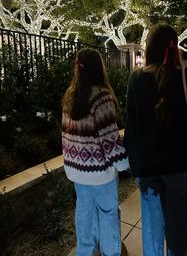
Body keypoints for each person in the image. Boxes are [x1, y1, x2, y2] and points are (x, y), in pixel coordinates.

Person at [124, 23, 187, 256]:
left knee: (152, 234)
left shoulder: (136, 80)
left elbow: (132, 131)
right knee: (178, 234)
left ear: (148, 48)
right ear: (176, 46)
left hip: (149, 173)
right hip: (181, 171)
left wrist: (136, 166)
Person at [62, 48, 129, 256]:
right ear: (99, 67)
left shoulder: (70, 96)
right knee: (108, 213)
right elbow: (110, 141)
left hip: (76, 171)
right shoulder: (102, 97)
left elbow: (64, 135)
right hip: (100, 173)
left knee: (84, 212)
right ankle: (110, 252)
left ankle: (85, 251)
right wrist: (125, 164)